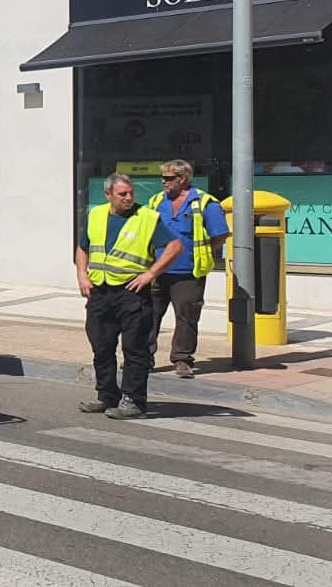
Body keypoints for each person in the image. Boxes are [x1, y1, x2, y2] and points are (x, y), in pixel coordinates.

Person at [76, 173, 184, 419]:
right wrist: (82, 274)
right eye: (122, 194)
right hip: (100, 291)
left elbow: (175, 246)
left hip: (132, 293)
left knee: (135, 349)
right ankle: (106, 395)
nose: (128, 198)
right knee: (101, 346)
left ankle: (133, 401)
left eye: (130, 193)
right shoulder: (96, 215)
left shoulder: (145, 217)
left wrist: (150, 274)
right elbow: (83, 247)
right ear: (108, 195)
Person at [146, 160, 228, 378]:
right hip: (157, 270)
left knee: (187, 317)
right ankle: (143, 358)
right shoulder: (155, 201)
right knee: (148, 315)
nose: (163, 181)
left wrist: (197, 252)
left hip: (188, 272)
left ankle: (182, 359)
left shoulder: (204, 202)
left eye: (169, 178)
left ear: (183, 179)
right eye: (162, 177)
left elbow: (220, 235)